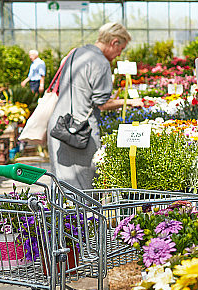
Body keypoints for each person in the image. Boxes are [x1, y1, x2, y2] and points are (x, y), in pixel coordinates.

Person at [47, 22, 143, 189]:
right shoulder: (100, 62)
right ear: (114, 42)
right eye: (120, 50)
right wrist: (129, 102)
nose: (118, 55)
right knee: (84, 189)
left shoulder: (75, 53)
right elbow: (103, 104)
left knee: (61, 187)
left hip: (58, 125)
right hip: (80, 132)